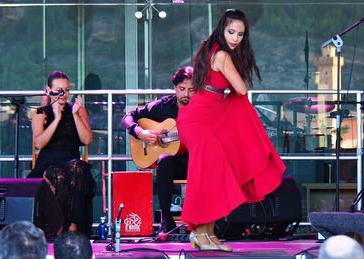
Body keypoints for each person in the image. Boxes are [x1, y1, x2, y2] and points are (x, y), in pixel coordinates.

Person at [176, 9, 285, 251]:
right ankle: (197, 231)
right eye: (231, 32)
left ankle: (209, 234)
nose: (235, 38)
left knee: (213, 175)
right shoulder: (222, 55)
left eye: (240, 34)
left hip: (202, 119)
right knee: (208, 175)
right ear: (222, 29)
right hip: (198, 121)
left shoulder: (210, 48)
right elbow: (241, 89)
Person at [122, 66, 194, 233]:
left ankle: (201, 220)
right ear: (175, 88)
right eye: (182, 89)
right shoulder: (163, 106)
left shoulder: (200, 109)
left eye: (191, 90)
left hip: (194, 162)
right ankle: (166, 218)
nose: (186, 94)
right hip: (171, 167)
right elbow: (128, 117)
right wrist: (141, 132)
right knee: (164, 160)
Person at [28, 70, 96, 237]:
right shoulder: (41, 112)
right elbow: (39, 143)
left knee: (76, 167)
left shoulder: (78, 110)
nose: (63, 94)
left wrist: (74, 115)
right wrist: (57, 118)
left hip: (71, 160)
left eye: (66, 90)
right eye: (59, 90)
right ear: (48, 90)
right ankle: (57, 227)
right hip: (48, 162)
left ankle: (72, 225)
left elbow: (87, 140)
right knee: (57, 174)